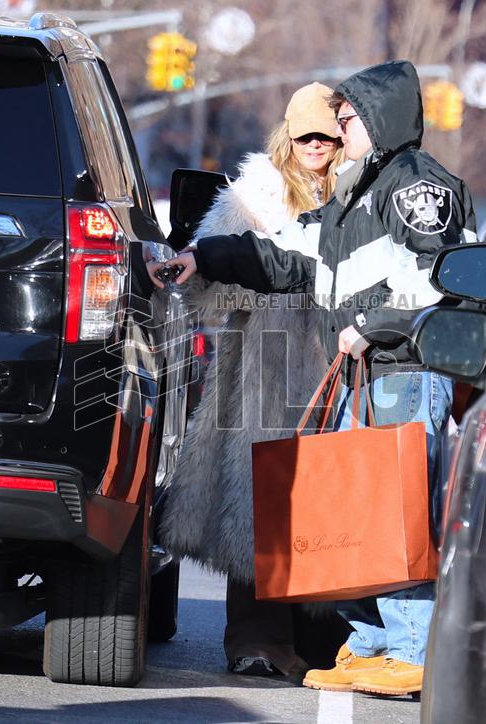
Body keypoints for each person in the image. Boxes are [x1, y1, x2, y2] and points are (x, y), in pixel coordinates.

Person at [152, 60, 477, 696]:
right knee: (358, 509)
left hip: (396, 366)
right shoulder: (355, 191)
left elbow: (434, 276)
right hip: (336, 373)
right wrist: (204, 257)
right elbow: (286, 254)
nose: (333, 137)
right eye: (319, 133)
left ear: (374, 123)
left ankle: (407, 646)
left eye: (344, 124)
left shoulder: (411, 187)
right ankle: (373, 643)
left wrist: (376, 325)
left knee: (393, 509)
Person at [155, 82, 347, 678]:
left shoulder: (361, 196)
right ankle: (256, 641)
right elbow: (207, 297)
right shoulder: (253, 194)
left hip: (335, 367)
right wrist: (213, 272)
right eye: (305, 133)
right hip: (261, 365)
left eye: (327, 135)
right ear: (286, 136)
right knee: (258, 500)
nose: (316, 145)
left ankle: (325, 638)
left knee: (328, 504)